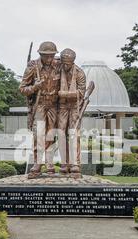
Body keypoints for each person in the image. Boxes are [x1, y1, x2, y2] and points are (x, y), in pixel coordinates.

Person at [19, 41, 61, 178]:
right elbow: (22, 89)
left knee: (51, 135)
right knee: (39, 134)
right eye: (46, 56)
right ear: (41, 54)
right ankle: (37, 163)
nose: (49, 59)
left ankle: (49, 163)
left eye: (52, 55)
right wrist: (35, 87)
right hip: (40, 104)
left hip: (54, 105)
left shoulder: (58, 66)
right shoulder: (33, 67)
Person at [57, 48, 86, 176]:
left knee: (74, 134)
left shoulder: (79, 73)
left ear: (73, 62)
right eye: (63, 62)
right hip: (62, 106)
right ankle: (64, 163)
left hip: (75, 106)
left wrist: (66, 94)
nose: (65, 65)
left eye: (68, 63)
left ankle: (75, 163)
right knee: (61, 133)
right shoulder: (58, 69)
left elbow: (82, 92)